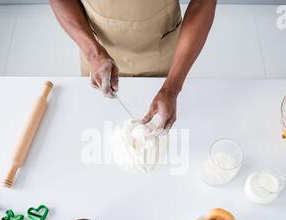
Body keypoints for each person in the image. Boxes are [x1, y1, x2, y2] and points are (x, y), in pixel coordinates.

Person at [50, 0, 217, 133]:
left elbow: (202, 3)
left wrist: (172, 88)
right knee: (97, 130)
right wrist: (93, 53)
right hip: (96, 49)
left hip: (160, 49)